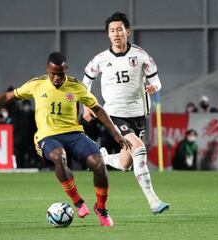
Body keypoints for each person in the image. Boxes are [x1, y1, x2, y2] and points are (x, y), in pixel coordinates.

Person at [0, 52, 132, 227]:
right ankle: (78, 202)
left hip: (74, 134)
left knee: (99, 164)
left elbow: (98, 110)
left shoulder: (77, 87)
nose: (57, 78)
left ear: (66, 71)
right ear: (47, 70)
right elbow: (7, 97)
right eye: (53, 74)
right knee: (59, 157)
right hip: (47, 136)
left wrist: (117, 134)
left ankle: (101, 209)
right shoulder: (37, 84)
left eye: (61, 74)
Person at [82, 12, 169, 214]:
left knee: (125, 163)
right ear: (108, 35)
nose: (116, 34)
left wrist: (155, 87)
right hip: (114, 114)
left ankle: (103, 158)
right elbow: (86, 81)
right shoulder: (100, 60)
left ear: (127, 32)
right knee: (139, 149)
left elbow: (156, 79)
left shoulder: (140, 55)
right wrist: (86, 105)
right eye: (112, 31)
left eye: (119, 29)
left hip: (138, 114)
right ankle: (154, 201)